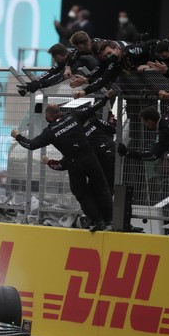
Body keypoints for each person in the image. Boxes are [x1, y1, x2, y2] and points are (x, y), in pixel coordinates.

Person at [11, 92, 114, 232]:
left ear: (49, 115)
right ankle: (110, 221)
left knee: (81, 193)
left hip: (74, 163)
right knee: (102, 188)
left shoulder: (50, 132)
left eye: (45, 116)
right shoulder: (73, 116)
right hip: (91, 159)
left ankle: (98, 221)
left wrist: (17, 136)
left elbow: (31, 145)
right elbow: (92, 109)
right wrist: (106, 98)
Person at [42, 103, 117, 194]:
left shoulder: (72, 133)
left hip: (100, 162)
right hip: (112, 155)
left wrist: (49, 162)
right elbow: (113, 127)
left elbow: (65, 163)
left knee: (97, 193)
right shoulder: (92, 120)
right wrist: (109, 112)